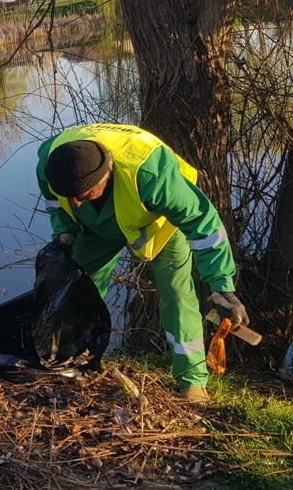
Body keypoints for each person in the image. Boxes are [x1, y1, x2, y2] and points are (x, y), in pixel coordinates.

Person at [37, 123, 248, 403]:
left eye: (84, 194)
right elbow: (56, 205)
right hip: (97, 226)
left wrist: (221, 284)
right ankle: (70, 363)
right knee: (74, 287)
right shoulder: (51, 165)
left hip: (158, 226)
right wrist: (63, 232)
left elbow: (204, 225)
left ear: (106, 176)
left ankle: (191, 382)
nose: (75, 202)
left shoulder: (151, 174)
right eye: (70, 196)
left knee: (177, 296)